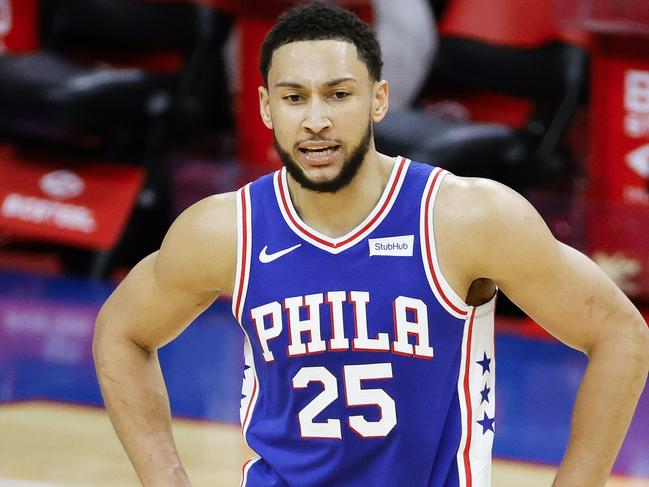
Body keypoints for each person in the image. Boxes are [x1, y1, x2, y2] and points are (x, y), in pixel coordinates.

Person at [93, 3, 649, 487]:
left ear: (379, 99)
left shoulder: (465, 217)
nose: (316, 120)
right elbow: (121, 332)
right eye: (294, 98)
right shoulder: (226, 230)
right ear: (266, 108)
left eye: (339, 95)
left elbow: (620, 334)